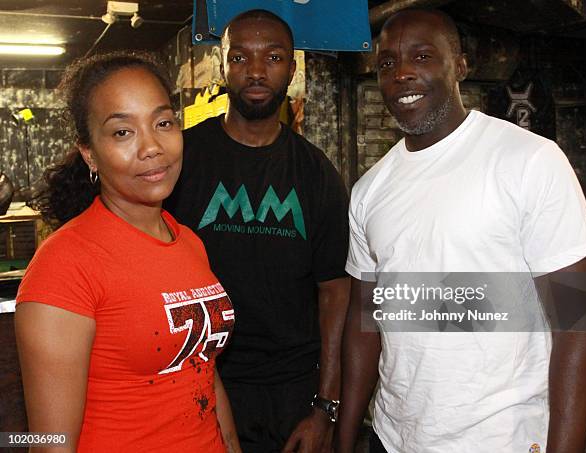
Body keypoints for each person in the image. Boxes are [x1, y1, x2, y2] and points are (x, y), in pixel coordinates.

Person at [336, 8, 586, 453]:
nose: (401, 73)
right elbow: (364, 324)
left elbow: (577, 325)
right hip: (393, 437)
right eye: (386, 63)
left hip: (500, 440)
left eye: (421, 56)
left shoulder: (530, 161)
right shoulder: (369, 191)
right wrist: (345, 438)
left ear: (460, 66)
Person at [15, 51, 240, 453]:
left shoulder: (188, 241)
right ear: (89, 153)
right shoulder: (64, 266)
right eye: (122, 132)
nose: (152, 147)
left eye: (163, 123)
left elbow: (202, 371)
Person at [164, 9, 350, 453]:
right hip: (197, 379)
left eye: (273, 57)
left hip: (290, 391)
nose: (256, 71)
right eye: (240, 57)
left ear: (291, 68)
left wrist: (326, 406)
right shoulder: (182, 159)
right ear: (221, 65)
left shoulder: (316, 173)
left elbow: (335, 293)